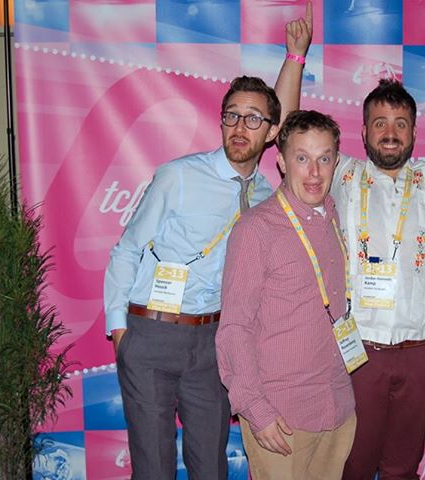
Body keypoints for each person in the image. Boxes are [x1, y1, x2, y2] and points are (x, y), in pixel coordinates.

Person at [275, 12, 425, 476]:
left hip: (423, 350)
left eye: (401, 123)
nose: (391, 131)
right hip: (358, 350)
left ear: (415, 133)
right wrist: (295, 57)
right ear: (363, 132)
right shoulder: (342, 174)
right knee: (354, 465)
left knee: (402, 466)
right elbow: (287, 130)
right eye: (380, 122)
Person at [103, 8, 312, 476]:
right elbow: (127, 248)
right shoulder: (178, 176)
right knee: (154, 469)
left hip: (216, 343)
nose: (240, 127)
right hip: (152, 334)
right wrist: (120, 332)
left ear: (272, 132)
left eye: (254, 119)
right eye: (231, 115)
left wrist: (294, 58)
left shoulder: (267, 195)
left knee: (210, 467)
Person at [216, 110, 356, 480]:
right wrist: (255, 410)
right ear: (280, 161)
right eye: (302, 158)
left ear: (336, 162)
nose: (314, 172)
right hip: (282, 417)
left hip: (337, 406)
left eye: (324, 158)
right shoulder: (256, 230)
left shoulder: (331, 217)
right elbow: (234, 329)